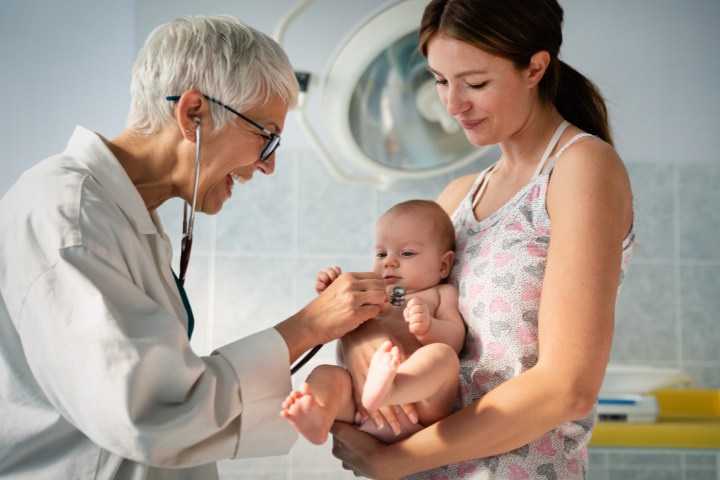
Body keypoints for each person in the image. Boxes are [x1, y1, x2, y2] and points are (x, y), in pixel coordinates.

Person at [0, 16, 387, 480]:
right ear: (193, 114)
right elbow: (150, 412)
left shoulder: (122, 218)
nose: (269, 166)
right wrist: (308, 325)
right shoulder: (67, 215)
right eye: (266, 136)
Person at [330, 0, 636, 479]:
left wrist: (394, 460)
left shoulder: (581, 169)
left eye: (475, 83)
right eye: (439, 80)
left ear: (535, 67)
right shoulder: (457, 197)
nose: (452, 104)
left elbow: (567, 387)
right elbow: (396, 302)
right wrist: (362, 340)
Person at [281, 200, 466, 445]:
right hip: (360, 399)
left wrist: (429, 327)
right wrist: (334, 295)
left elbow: (454, 339)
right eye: (381, 253)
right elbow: (340, 318)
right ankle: (319, 414)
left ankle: (394, 388)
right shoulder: (374, 292)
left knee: (443, 357)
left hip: (421, 406)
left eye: (407, 253)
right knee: (326, 374)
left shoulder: (440, 294)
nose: (389, 262)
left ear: (443, 265)